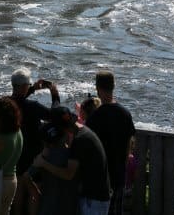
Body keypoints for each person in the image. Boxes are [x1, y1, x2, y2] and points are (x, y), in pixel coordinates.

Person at [33, 106, 111, 215]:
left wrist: (43, 163)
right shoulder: (83, 132)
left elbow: (68, 174)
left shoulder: (79, 141)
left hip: (93, 199)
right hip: (97, 194)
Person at [10, 68, 60, 215]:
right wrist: (55, 95)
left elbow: (19, 98)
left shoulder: (6, 104)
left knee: (18, 192)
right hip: (33, 156)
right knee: (34, 194)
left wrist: (32, 89)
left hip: (15, 154)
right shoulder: (33, 107)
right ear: (24, 86)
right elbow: (54, 116)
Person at [85, 71, 136, 215]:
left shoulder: (95, 116)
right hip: (118, 173)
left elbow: (88, 146)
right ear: (114, 86)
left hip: (99, 177)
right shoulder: (125, 113)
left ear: (97, 88)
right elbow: (130, 143)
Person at [22, 122, 77, 215]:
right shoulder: (72, 155)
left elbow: (26, 176)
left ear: (44, 142)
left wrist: (36, 194)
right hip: (70, 207)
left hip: (48, 208)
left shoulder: (43, 157)